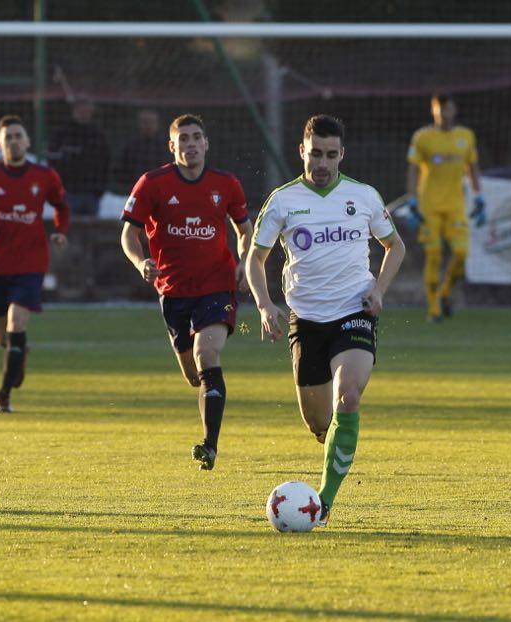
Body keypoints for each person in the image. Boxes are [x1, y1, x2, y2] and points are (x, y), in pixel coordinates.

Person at [246, 114, 406, 527]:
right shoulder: (283, 200)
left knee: (348, 396)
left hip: (355, 312)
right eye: (315, 153)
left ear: (341, 155)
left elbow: (395, 246)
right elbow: (256, 257)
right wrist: (265, 304)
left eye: (330, 155)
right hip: (307, 321)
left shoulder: (364, 196)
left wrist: (378, 291)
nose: (322, 162)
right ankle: (330, 441)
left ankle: (325, 503)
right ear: (302, 151)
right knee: (319, 422)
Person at [120, 114, 252, 471]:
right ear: (172, 146)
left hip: (217, 284)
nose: (191, 144)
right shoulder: (152, 183)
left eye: (197, 137)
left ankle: (210, 445)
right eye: (184, 139)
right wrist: (140, 262)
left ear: (206, 143)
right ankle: (208, 403)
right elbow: (128, 234)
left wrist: (244, 261)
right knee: (194, 376)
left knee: (206, 354)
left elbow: (244, 230)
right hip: (173, 290)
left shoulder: (226, 184)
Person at [0, 115, 71, 414]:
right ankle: (18, 354)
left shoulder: (45, 176)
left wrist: (60, 232)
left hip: (31, 264)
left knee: (16, 323)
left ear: (28, 141)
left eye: (18, 135)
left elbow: (61, 206)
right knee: (3, 336)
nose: (13, 141)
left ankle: (4, 395)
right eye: (7, 137)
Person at [404, 93, 484, 322]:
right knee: (434, 254)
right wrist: (412, 200)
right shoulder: (423, 137)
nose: (443, 113)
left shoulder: (466, 137)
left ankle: (445, 292)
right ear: (433, 111)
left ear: (454, 109)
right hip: (429, 206)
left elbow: (472, 167)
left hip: (455, 205)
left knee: (461, 253)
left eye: (447, 108)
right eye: (439, 109)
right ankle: (434, 309)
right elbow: (413, 169)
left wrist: (479, 197)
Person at [48, 98, 110, 216]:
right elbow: (53, 162)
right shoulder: (62, 134)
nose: (84, 114)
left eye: (87, 111)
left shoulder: (98, 136)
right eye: (81, 110)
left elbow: (105, 163)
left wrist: (99, 189)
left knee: (90, 230)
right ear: (74, 111)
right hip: (69, 192)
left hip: (91, 194)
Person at [115, 109, 168, 193]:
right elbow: (120, 169)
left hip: (160, 191)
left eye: (151, 122)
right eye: (145, 122)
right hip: (135, 190)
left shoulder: (165, 146)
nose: (148, 125)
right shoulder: (130, 145)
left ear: (157, 124)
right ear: (139, 123)